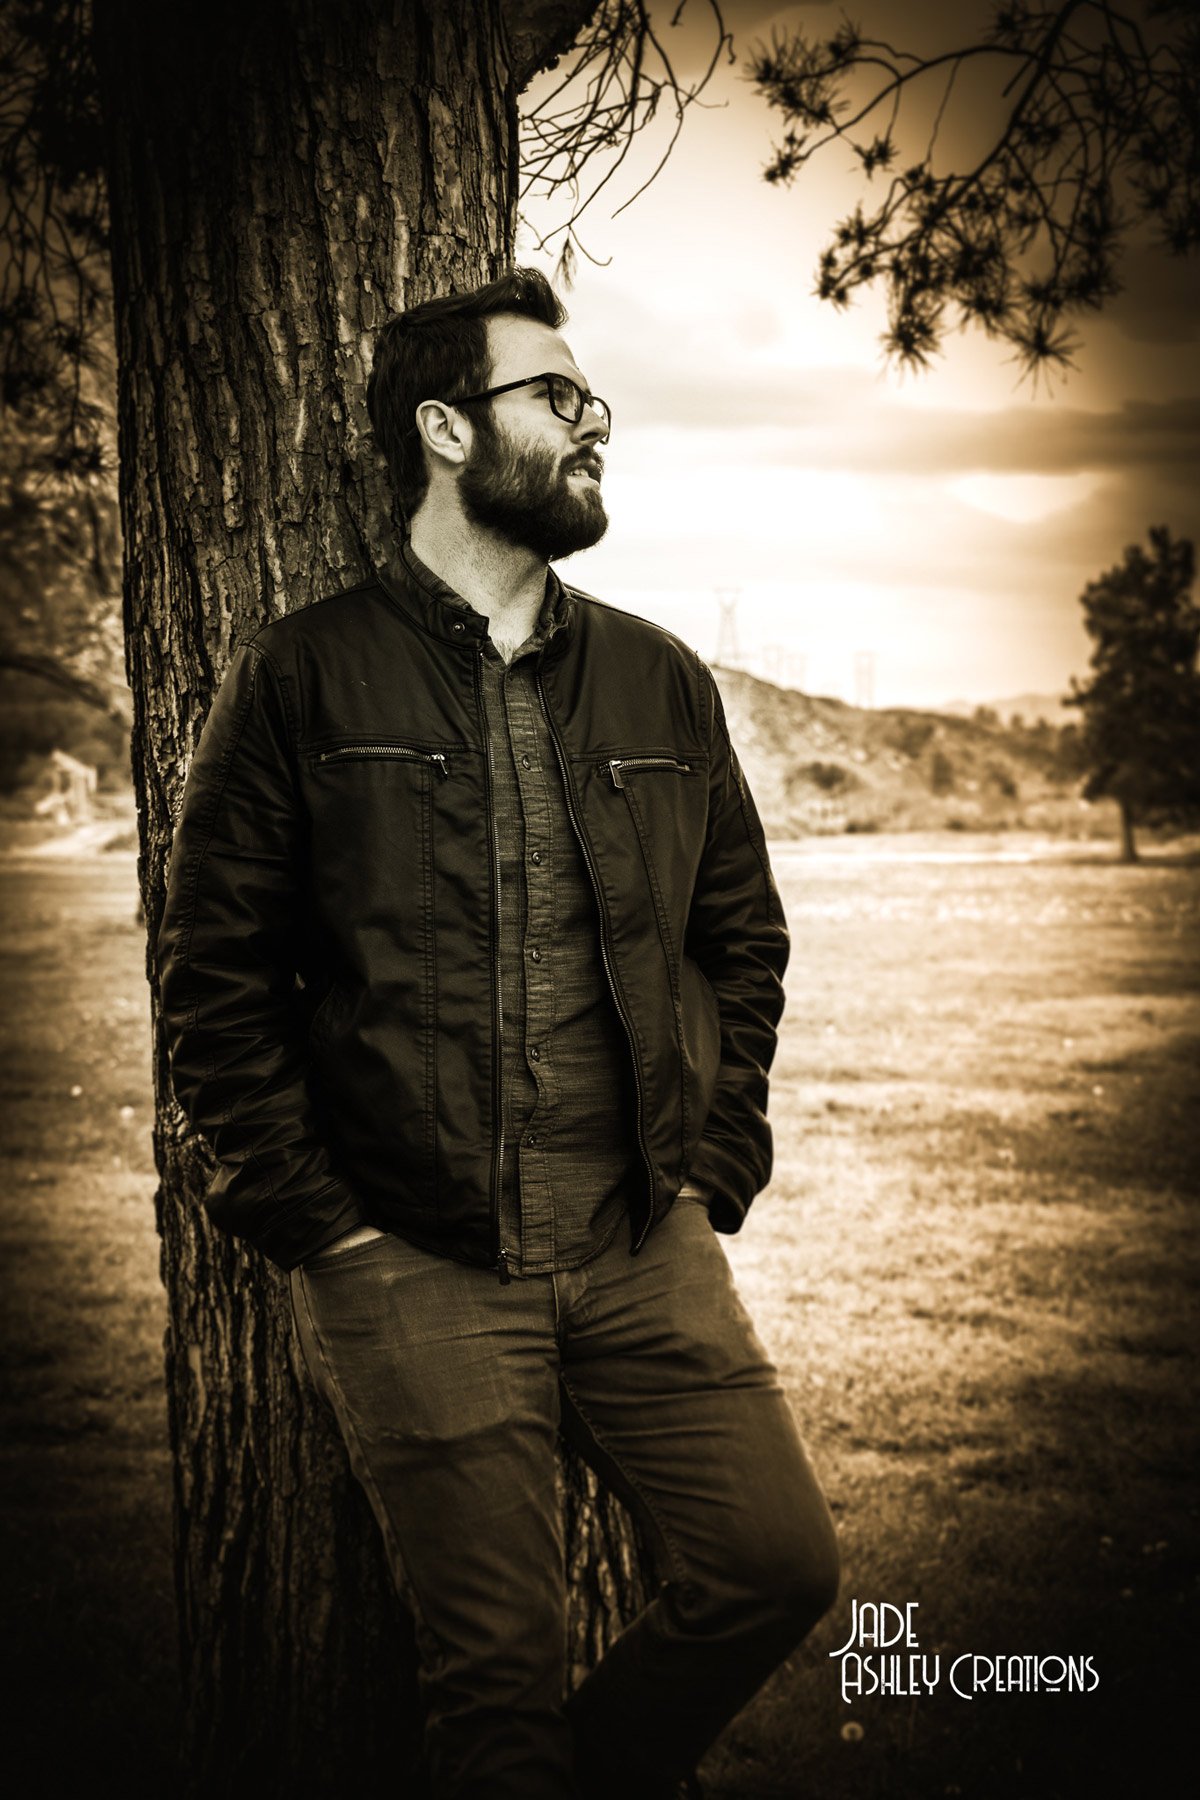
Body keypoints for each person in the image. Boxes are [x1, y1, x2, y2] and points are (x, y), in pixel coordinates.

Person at [157, 267, 840, 1800]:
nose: (596, 426)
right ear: (446, 427)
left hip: (639, 1244)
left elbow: (742, 941)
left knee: (777, 1569)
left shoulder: (661, 677)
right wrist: (327, 1232)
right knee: (496, 1696)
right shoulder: (301, 673)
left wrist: (709, 1170)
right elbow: (213, 978)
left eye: (595, 400)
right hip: (414, 1260)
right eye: (560, 398)